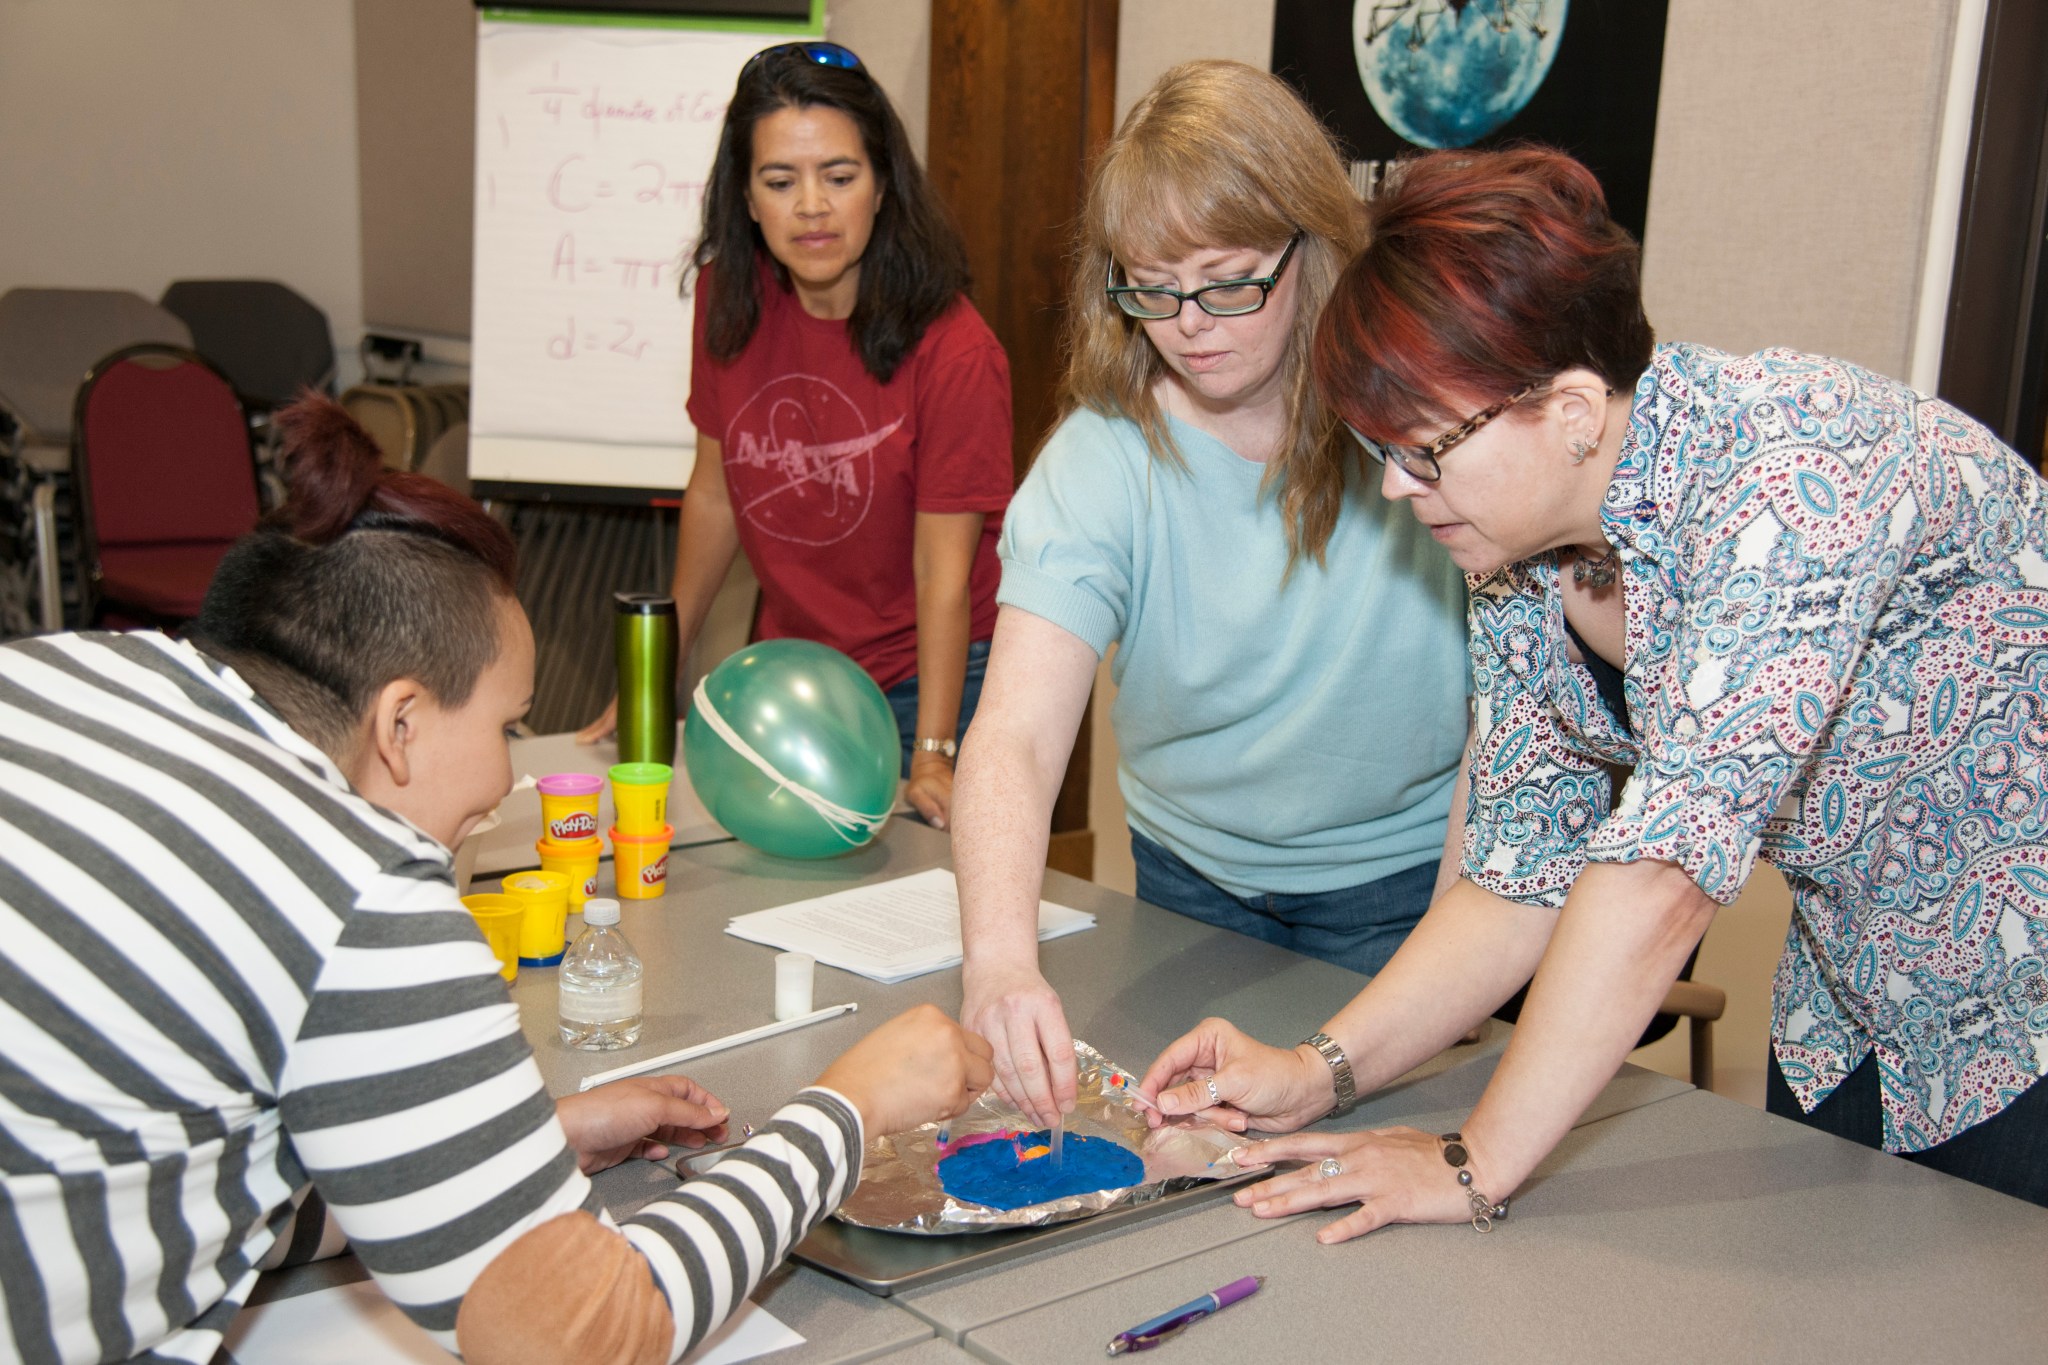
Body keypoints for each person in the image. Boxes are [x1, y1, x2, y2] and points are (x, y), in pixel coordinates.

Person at [1137, 146, 2048, 1232]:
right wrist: (1316, 1070)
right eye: (1376, 448)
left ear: (1570, 408)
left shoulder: (1792, 478)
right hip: (1852, 1010)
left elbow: (1661, 877)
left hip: (2024, 1016)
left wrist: (1470, 1164)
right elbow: (1516, 872)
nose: (1393, 486)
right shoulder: (1516, 551)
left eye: (1422, 448)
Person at [0, 396, 993, 1365]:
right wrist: (843, 1112)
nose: (506, 775)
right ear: (400, 722)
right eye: (507, 726)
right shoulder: (358, 893)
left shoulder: (76, 673)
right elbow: (583, 1336)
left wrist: (473, 1160)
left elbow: (163, 1155)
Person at [953, 61, 1471, 1128]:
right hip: (1188, 876)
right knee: (1193, 1150)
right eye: (1151, 287)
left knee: (1360, 1158)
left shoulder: (1421, 425)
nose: (1188, 322)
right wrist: (1001, 964)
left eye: (1230, 279)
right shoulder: (1101, 460)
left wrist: (1457, 938)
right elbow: (1011, 736)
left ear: (1313, 249)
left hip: (1398, 885)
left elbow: (1508, 726)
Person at [580, 41, 1013, 830]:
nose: (811, 205)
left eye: (839, 177)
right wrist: (659, 666)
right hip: (793, 666)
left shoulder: (956, 351)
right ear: (745, 198)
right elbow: (715, 490)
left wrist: (934, 749)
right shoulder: (728, 296)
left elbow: (941, 575)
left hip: (933, 672)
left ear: (883, 186)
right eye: (780, 181)